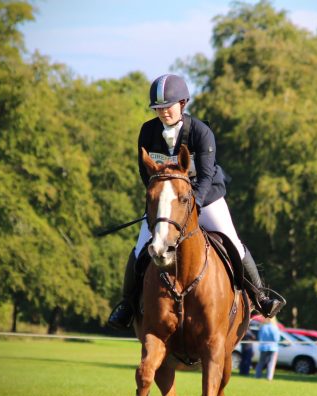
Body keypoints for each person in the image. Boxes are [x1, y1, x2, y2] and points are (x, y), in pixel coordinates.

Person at [108, 74, 285, 329]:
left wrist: (193, 205)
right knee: (139, 250)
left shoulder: (201, 132)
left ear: (182, 103)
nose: (163, 112)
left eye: (167, 105)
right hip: (168, 205)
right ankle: (127, 304)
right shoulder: (147, 131)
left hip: (206, 198)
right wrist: (160, 203)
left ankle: (260, 296)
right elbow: (144, 172)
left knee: (231, 239)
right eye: (157, 107)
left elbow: (205, 176)